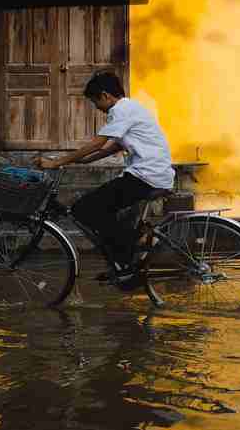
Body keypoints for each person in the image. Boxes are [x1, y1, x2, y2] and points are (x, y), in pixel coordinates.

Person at [35, 71, 174, 287]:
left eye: (95, 102)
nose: (97, 108)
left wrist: (58, 162)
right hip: (151, 173)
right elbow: (116, 145)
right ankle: (127, 253)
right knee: (101, 208)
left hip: (147, 175)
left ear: (106, 96)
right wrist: (85, 161)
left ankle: (125, 255)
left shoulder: (120, 110)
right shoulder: (131, 108)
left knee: (85, 208)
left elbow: (98, 143)